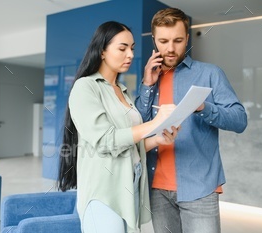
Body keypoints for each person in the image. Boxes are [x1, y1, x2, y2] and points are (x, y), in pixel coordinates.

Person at [58, 21, 179, 233]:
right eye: (122, 48)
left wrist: (157, 139)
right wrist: (155, 122)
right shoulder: (85, 87)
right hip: (104, 191)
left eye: (132, 48)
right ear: (102, 51)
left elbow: (129, 145)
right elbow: (107, 141)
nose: (130, 55)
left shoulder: (123, 91)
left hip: (129, 186)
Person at [135, 8, 248, 233]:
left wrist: (203, 107)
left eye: (177, 40)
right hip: (157, 190)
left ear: (187, 38)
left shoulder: (210, 74)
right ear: (154, 41)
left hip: (200, 188)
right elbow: (139, 127)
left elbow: (240, 120)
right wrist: (147, 85)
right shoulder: (150, 78)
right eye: (163, 41)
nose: (170, 48)